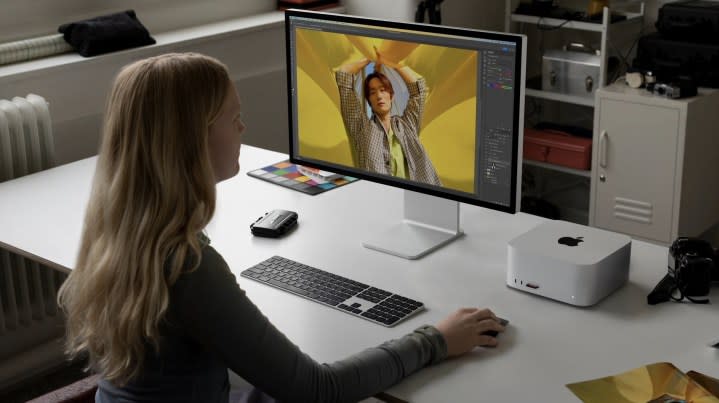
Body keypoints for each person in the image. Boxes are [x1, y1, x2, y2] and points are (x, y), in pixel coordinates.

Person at [57, 53, 505, 403]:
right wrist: (436, 340)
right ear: (192, 139)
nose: (243, 127)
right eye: (233, 118)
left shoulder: (117, 229)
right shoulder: (185, 264)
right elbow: (316, 390)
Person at [335, 47, 442, 186]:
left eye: (383, 90)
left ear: (391, 96)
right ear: (369, 101)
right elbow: (344, 78)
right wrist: (370, 58)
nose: (379, 96)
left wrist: (392, 63)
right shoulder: (362, 128)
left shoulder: (407, 124)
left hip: (421, 196)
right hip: (380, 198)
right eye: (372, 92)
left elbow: (418, 89)